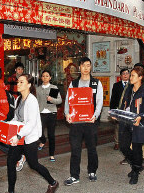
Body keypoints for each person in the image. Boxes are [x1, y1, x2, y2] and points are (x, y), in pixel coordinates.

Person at [0, 74, 59, 193]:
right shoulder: (18, 99)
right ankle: (11, 192)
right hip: (18, 137)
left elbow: (31, 123)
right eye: (18, 82)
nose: (18, 84)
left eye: (21, 82)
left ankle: (53, 183)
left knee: (34, 164)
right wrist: (9, 128)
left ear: (29, 85)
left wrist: (18, 135)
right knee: (10, 162)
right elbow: (16, 118)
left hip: (29, 137)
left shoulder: (32, 100)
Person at [64, 57, 103, 185]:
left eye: (88, 65)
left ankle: (92, 171)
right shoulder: (73, 84)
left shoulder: (96, 83)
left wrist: (95, 116)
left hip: (90, 122)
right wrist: (67, 114)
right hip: (76, 123)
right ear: (79, 68)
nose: (86, 68)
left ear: (91, 67)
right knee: (75, 149)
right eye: (83, 65)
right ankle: (74, 175)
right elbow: (67, 101)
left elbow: (99, 102)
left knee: (92, 148)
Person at [117, 66, 144, 184]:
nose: (130, 77)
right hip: (127, 122)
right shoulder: (129, 89)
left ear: (140, 77)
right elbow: (123, 105)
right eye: (130, 75)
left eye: (132, 75)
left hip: (138, 124)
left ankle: (135, 172)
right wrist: (118, 114)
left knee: (137, 149)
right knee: (123, 146)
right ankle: (136, 165)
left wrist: (140, 116)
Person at [36, 70, 62, 161]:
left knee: (51, 135)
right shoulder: (38, 89)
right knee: (39, 133)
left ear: (50, 77)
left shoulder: (53, 87)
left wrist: (51, 99)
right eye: (43, 76)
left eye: (47, 76)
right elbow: (36, 101)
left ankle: (51, 155)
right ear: (41, 78)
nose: (45, 77)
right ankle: (43, 141)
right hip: (41, 113)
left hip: (51, 113)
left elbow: (59, 101)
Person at [110, 68, 130, 151]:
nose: (125, 75)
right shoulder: (116, 85)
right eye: (123, 74)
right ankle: (117, 143)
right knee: (118, 126)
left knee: (128, 127)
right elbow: (113, 98)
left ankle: (127, 143)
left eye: (127, 73)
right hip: (119, 109)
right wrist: (112, 110)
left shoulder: (132, 84)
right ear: (121, 76)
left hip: (128, 109)